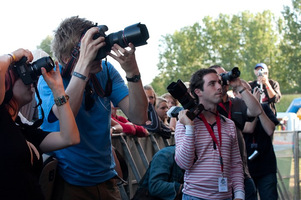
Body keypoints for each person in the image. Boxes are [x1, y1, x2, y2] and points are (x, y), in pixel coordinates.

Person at [37, 16, 148, 200]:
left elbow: (139, 117)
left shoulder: (106, 71)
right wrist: (83, 67)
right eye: (91, 48)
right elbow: (67, 115)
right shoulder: (50, 78)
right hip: (68, 181)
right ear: (67, 58)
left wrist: (132, 72)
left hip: (106, 179)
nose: (100, 54)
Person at [0, 48, 80, 200]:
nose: (31, 81)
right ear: (7, 83)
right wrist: (12, 57)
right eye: (22, 76)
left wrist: (58, 91)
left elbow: (70, 137)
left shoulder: (23, 130)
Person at [175, 68, 244, 200]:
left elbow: (236, 163)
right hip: (195, 196)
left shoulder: (229, 124)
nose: (219, 87)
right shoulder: (184, 122)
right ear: (198, 91)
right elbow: (184, 164)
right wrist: (190, 127)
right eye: (212, 84)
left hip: (226, 196)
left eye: (219, 82)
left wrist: (239, 195)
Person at [211, 65, 261, 200]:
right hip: (215, 177)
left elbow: (256, 111)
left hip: (241, 174)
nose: (221, 81)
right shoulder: (206, 106)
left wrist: (239, 86)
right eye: (216, 78)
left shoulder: (237, 103)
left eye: (223, 76)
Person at [234, 80, 279, 200]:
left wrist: (257, 107)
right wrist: (253, 109)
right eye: (243, 92)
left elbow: (270, 130)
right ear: (235, 95)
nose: (248, 94)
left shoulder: (264, 108)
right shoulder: (235, 111)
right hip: (246, 169)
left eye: (249, 91)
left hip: (266, 166)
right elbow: (248, 128)